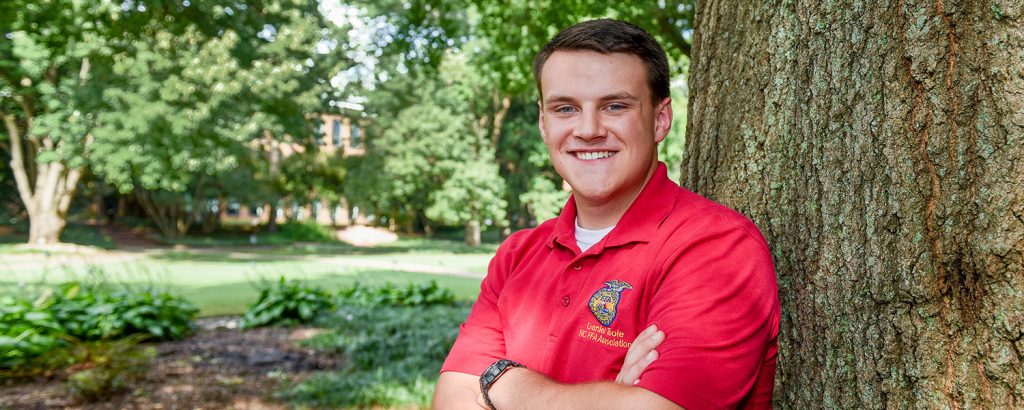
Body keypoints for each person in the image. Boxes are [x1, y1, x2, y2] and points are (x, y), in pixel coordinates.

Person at [433, 19, 780, 409]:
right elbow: (451, 401)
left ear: (660, 119)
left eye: (614, 106)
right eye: (565, 108)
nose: (588, 129)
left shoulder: (716, 248)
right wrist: (611, 395)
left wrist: (502, 384)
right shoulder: (516, 255)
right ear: (544, 123)